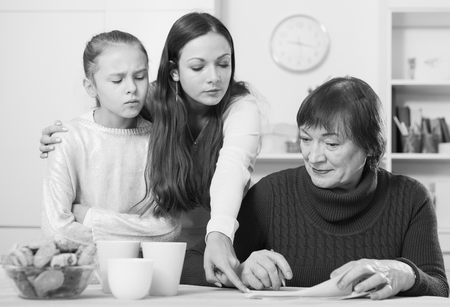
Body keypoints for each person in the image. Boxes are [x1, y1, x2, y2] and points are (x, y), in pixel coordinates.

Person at [38, 13, 262, 292]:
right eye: (198, 67)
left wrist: (219, 235)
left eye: (224, 64)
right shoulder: (149, 100)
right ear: (174, 71)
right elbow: (106, 121)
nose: (214, 78)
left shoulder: (240, 107)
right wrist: (64, 135)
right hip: (155, 254)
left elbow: (231, 168)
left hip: (217, 239)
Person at [181, 76, 449, 300]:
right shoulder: (272, 194)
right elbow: (190, 264)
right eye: (306, 139)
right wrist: (240, 271)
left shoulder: (410, 198)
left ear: (370, 146)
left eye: (331, 144)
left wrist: (405, 273)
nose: (313, 156)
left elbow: (438, 288)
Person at [41, 30, 181, 245]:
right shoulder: (66, 140)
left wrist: (91, 218)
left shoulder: (158, 140)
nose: (132, 88)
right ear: (91, 87)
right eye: (117, 80)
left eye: (140, 77)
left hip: (143, 275)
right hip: (82, 277)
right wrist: (138, 231)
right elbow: (57, 231)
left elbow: (168, 230)